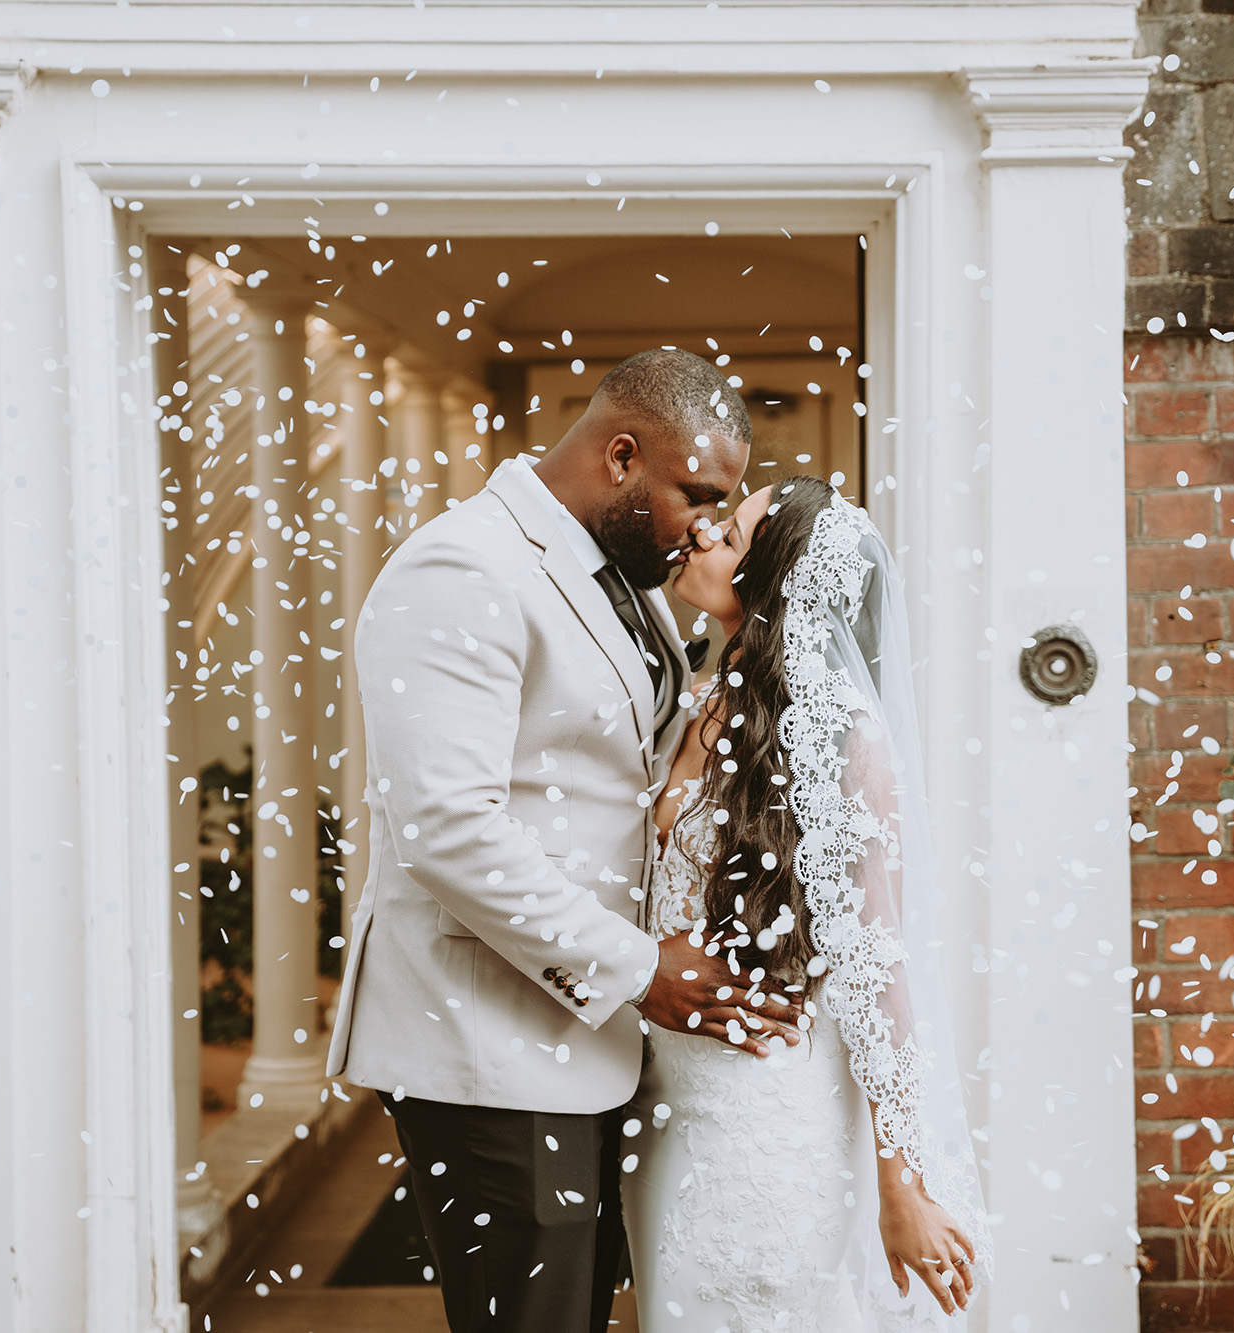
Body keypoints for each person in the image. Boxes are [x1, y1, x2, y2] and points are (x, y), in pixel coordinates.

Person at [326, 349, 803, 1333]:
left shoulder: (623, 575)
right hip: (488, 1038)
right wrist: (635, 966)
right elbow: (443, 827)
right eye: (695, 494)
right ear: (620, 455)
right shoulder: (461, 567)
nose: (708, 526)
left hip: (580, 1040)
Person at [623, 475, 992, 1331]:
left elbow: (877, 972)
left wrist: (900, 1183)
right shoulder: (700, 699)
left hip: (769, 1123)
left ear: (778, 583)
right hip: (671, 1109)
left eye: (736, 535)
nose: (705, 534)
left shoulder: (847, 746)